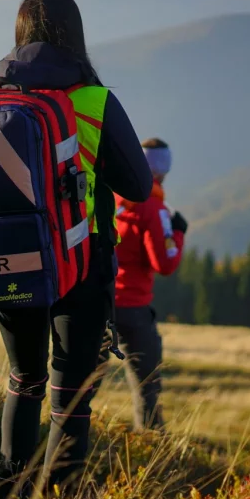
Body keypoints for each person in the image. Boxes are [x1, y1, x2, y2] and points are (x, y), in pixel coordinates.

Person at [0, 0, 153, 494]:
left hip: (13, 261)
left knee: (24, 381)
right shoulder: (94, 101)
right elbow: (139, 186)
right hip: (80, 265)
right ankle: (60, 492)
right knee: (69, 395)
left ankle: (9, 488)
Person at [95, 138, 188, 431]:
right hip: (135, 310)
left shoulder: (110, 198)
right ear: (161, 170)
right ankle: (149, 449)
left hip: (100, 304)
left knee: (81, 386)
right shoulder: (155, 209)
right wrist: (178, 233)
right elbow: (165, 264)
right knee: (147, 388)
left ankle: (68, 442)